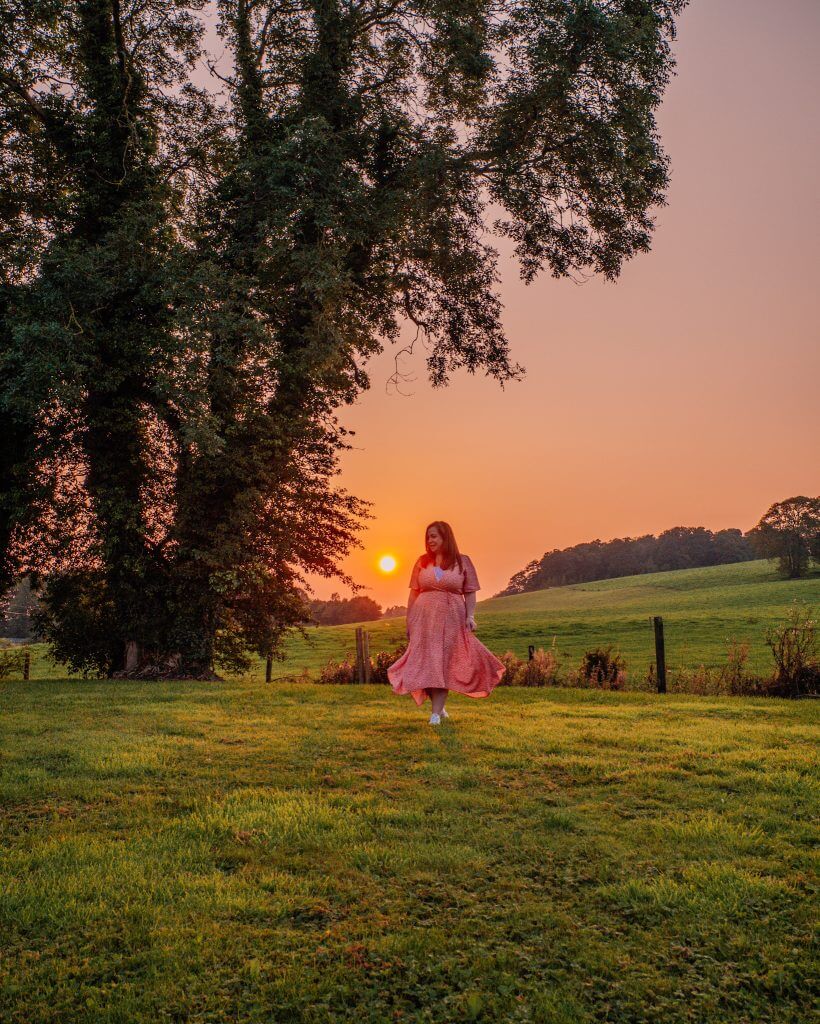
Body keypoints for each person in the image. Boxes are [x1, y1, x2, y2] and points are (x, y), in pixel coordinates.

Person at [387, 521, 505, 725]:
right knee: (427, 664)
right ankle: (439, 709)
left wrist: (470, 616)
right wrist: (410, 621)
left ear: (445, 537)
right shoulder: (422, 562)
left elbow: (470, 593)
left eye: (434, 536)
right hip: (423, 619)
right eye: (428, 537)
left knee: (441, 663)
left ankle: (435, 714)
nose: (429, 540)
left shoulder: (462, 561)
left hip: (452, 618)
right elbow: (413, 593)